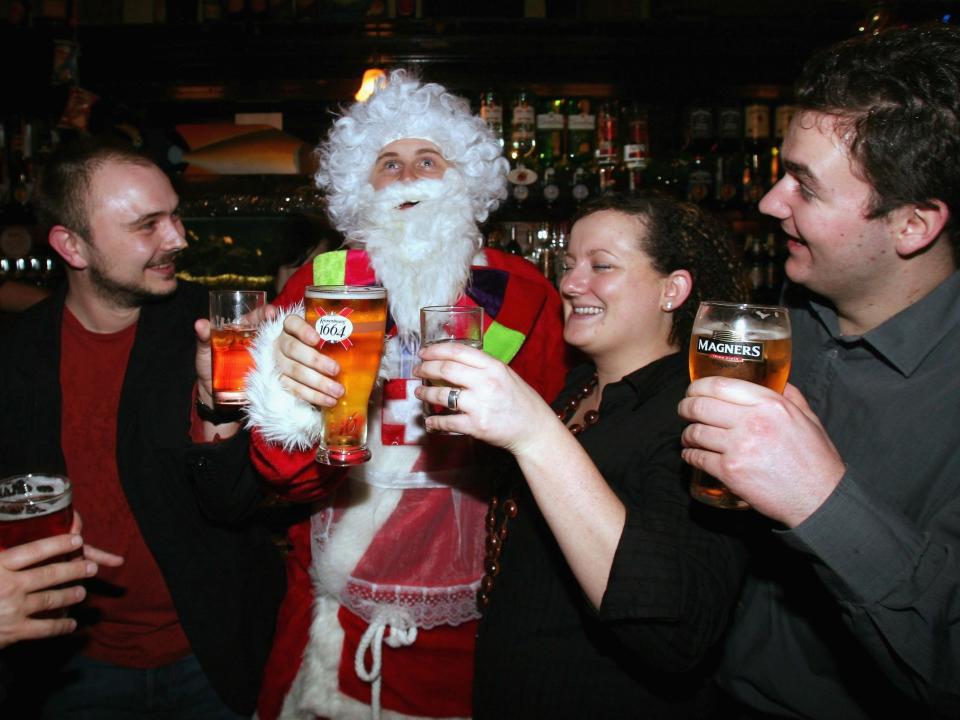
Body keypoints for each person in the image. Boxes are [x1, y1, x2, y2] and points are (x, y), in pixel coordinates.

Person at [244, 68, 568, 719]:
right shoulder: (320, 284)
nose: (411, 177)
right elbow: (282, 476)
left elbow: (550, 463)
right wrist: (287, 409)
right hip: (335, 615)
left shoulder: (524, 293)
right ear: (357, 187)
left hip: (471, 619)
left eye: (428, 158)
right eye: (387, 163)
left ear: (466, 178)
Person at [677, 23, 960, 718]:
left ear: (913, 225)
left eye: (804, 185)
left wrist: (822, 502)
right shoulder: (785, 324)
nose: (772, 202)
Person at [414, 192, 750, 718]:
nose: (570, 283)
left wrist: (533, 434)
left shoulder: (699, 414)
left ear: (672, 290)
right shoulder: (574, 388)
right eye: (568, 265)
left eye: (602, 266)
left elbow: (675, 634)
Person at [0, 134, 285, 718]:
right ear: (71, 246)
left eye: (175, 215)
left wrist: (217, 407)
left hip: (209, 661)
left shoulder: (209, 333)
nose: (177, 238)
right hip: (65, 666)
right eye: (147, 225)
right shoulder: (15, 355)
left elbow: (234, 507)